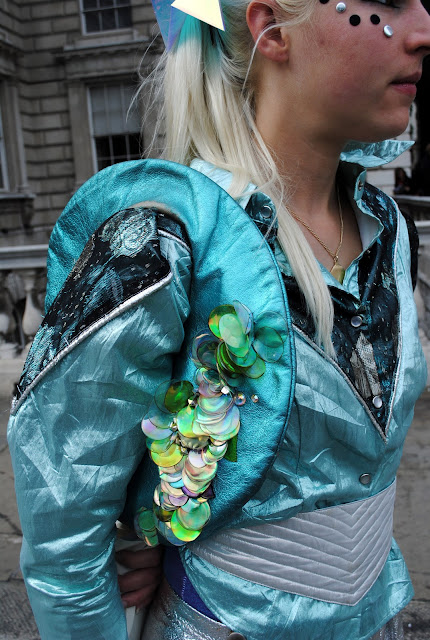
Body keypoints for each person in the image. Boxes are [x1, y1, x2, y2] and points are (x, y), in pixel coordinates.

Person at [7, 0, 430, 638]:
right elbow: (65, 535)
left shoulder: (389, 228)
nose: (422, 29)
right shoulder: (162, 240)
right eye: (388, 0)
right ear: (272, 28)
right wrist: (143, 530)